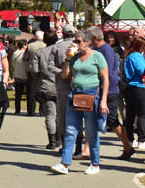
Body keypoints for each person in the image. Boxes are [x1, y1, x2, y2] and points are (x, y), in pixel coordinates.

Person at [50, 29, 109, 176]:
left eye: (78, 41)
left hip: (92, 95)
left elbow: (105, 78)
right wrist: (67, 59)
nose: (75, 44)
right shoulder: (75, 57)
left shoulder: (97, 56)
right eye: (74, 41)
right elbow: (65, 75)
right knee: (70, 130)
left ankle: (95, 164)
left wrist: (103, 100)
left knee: (91, 131)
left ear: (87, 42)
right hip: (75, 95)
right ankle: (64, 163)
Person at [89, 26, 134, 160]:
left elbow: (107, 74)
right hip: (100, 90)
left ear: (95, 38)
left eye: (88, 38)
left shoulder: (106, 51)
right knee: (92, 119)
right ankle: (87, 150)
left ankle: (127, 147)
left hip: (109, 91)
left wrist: (104, 92)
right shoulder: (97, 49)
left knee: (113, 120)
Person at [48, 23, 77, 153]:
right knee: (77, 115)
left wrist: (62, 73)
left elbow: (50, 66)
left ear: (63, 34)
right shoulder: (78, 46)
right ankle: (77, 145)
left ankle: (65, 144)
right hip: (76, 85)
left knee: (62, 116)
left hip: (62, 86)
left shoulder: (56, 47)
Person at [122, 36, 145, 155]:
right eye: (144, 47)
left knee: (130, 114)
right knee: (143, 114)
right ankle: (141, 139)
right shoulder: (137, 56)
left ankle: (130, 139)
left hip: (129, 87)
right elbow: (143, 70)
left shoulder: (128, 56)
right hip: (139, 87)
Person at [32, 31, 59, 149]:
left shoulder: (40, 52)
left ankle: (52, 141)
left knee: (50, 115)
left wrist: (40, 77)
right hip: (61, 85)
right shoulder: (60, 50)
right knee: (60, 115)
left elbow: (34, 70)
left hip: (47, 86)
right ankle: (59, 138)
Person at [27, 32, 46, 115]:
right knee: (43, 89)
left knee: (31, 90)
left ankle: (31, 111)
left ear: (36, 37)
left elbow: (25, 57)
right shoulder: (46, 45)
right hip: (43, 70)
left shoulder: (30, 45)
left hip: (31, 69)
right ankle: (42, 111)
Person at [12, 40, 31, 115]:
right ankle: (29, 110)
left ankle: (17, 110)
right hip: (26, 76)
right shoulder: (27, 54)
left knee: (18, 95)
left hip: (17, 75)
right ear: (24, 45)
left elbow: (13, 64)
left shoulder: (15, 53)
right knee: (29, 94)